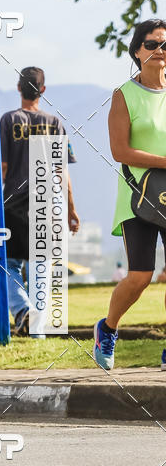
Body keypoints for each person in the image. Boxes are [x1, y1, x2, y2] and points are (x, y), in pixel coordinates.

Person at [94, 19, 166, 370]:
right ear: (137, 51)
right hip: (140, 196)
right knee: (140, 275)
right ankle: (107, 328)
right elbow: (120, 151)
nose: (160, 51)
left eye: (165, 45)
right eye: (152, 44)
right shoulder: (124, 94)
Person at [0, 66, 80, 336]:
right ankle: (39, 331)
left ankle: (22, 310)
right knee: (41, 266)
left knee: (7, 262)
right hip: (47, 201)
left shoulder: (8, 120)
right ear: (43, 90)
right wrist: (70, 209)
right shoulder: (55, 123)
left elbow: (2, 167)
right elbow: (61, 171)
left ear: (18, 87)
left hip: (13, 201)